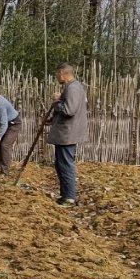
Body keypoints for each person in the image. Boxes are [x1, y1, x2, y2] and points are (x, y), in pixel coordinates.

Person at [46, 63, 88, 207]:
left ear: (63, 73)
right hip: (66, 133)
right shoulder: (71, 87)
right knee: (60, 164)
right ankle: (65, 195)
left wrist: (57, 101)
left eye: (57, 74)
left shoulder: (73, 88)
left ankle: (69, 198)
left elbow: (69, 110)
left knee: (65, 164)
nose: (57, 77)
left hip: (67, 134)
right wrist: (51, 119)